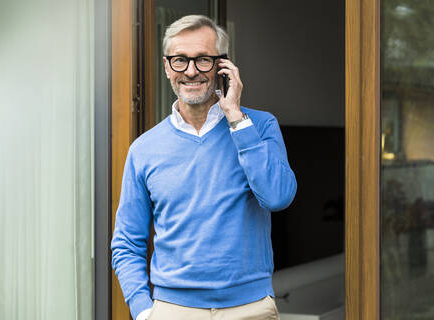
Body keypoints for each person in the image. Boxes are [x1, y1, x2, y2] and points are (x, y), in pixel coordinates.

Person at [111, 15, 297, 320]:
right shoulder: (143, 149)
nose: (192, 71)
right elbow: (127, 242)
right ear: (167, 66)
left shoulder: (260, 126)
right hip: (172, 310)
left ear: (222, 65)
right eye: (180, 60)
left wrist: (236, 118)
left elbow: (278, 197)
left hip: (249, 308)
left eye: (203, 60)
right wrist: (143, 311)